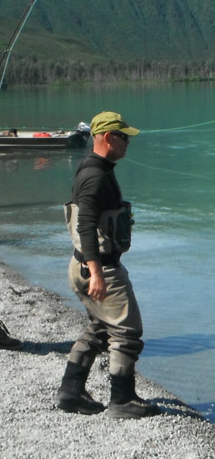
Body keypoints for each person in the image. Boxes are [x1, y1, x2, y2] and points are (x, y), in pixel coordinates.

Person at [56, 111, 160, 419]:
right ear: (106, 137)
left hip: (84, 267)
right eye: (123, 136)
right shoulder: (96, 176)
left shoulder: (97, 169)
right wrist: (98, 273)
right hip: (98, 268)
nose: (128, 142)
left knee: (101, 329)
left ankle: (71, 392)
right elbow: (86, 225)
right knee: (127, 332)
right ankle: (122, 401)